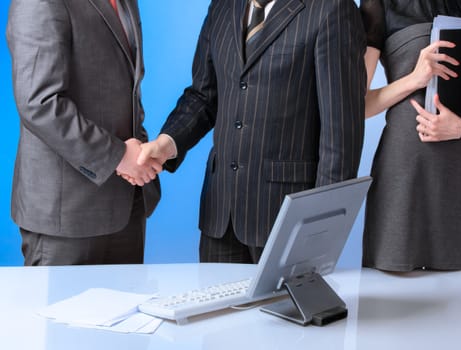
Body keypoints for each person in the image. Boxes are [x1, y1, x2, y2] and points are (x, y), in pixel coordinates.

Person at [133, 0, 367, 263]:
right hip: (220, 215)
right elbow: (203, 95)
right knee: (216, 305)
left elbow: (341, 134)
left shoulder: (332, 9)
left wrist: (319, 226)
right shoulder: (222, 7)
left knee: (282, 306)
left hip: (287, 218)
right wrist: (167, 142)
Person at [359, 0, 461, 271]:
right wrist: (415, 78)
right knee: (390, 293)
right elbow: (359, 105)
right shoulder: (379, 3)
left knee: (453, 296)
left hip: (459, 172)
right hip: (404, 166)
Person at [6, 0, 162, 266]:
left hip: (126, 203)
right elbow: (40, 103)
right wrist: (119, 156)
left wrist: (138, 155)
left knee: (126, 307)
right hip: (66, 216)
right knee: (59, 310)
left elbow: (124, 89)